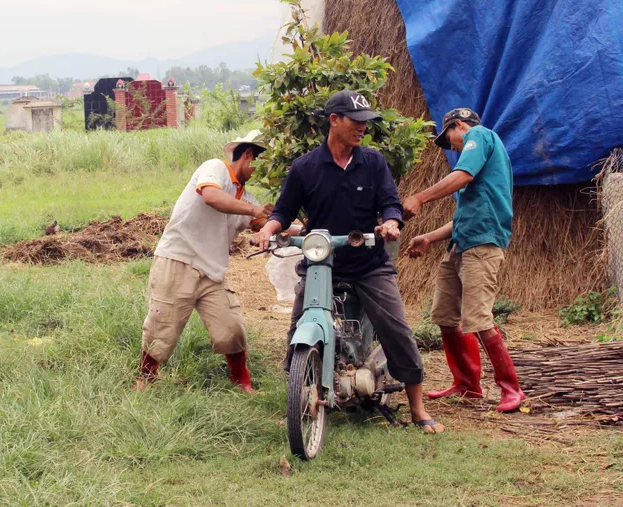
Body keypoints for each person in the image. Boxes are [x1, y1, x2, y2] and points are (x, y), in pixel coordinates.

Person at [254, 90, 443, 434]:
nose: (362, 129)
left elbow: (390, 203)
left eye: (365, 123)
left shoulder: (372, 162)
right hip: (322, 262)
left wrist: (391, 223)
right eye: (356, 122)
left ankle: (417, 407)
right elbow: (283, 210)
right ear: (334, 120)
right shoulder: (305, 167)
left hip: (368, 263)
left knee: (396, 328)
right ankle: (298, 394)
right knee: (298, 325)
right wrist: (269, 227)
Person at [402, 108, 525, 412]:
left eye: (450, 140)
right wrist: (429, 237)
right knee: (445, 316)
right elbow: (460, 220)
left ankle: (511, 389)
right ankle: (468, 385)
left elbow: (462, 175)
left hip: (482, 244)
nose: (453, 147)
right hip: (460, 244)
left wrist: (419, 197)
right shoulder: (476, 177)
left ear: (459, 126)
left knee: (479, 319)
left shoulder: (479, 136)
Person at [136, 131, 273, 392]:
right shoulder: (215, 169)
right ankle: (145, 379)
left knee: (232, 328)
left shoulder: (248, 198)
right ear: (246, 155)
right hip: (179, 259)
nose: (262, 172)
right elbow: (212, 198)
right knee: (162, 327)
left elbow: (269, 225)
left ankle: (242, 383)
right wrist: (253, 210)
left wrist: (311, 230)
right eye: (261, 163)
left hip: (212, 272)